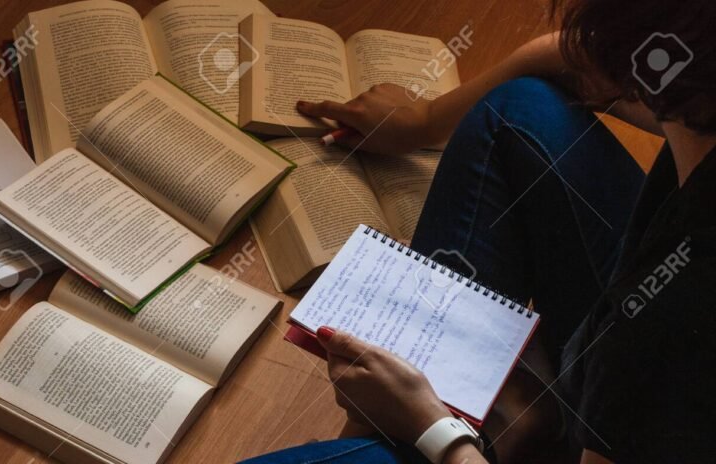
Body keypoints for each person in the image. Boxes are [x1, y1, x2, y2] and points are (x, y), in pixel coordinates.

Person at [242, 0, 716, 462]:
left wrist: (434, 430)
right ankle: (510, 404)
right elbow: (572, 55)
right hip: (633, 345)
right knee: (519, 109)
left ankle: (474, 424)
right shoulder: (699, 97)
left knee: (396, 439)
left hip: (650, 371)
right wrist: (424, 121)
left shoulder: (666, 334)